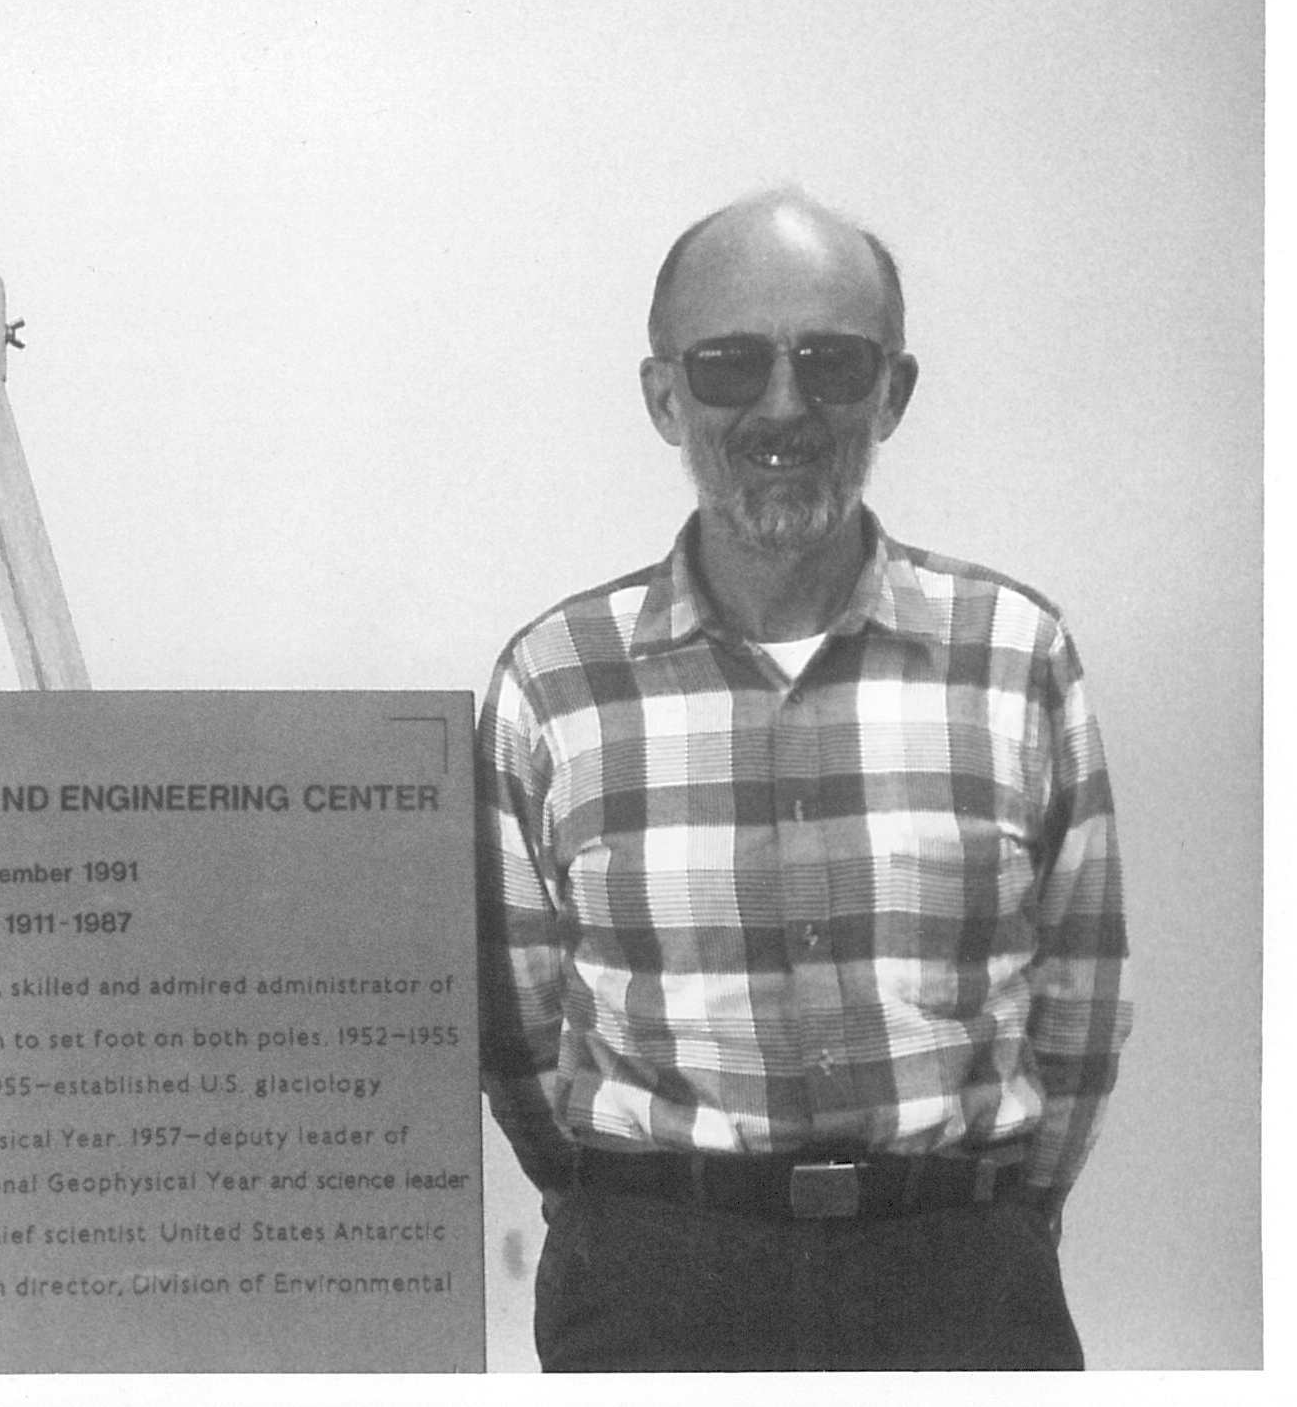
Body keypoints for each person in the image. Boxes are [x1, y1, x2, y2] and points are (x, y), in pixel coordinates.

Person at [476, 188, 1131, 1371]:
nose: (783, 407)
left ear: (894, 390)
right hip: (656, 1289)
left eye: (831, 363)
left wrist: (990, 1218)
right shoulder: (553, 680)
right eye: (729, 365)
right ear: (664, 396)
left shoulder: (1017, 655)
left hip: (961, 1287)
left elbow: (1081, 995)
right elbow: (513, 1032)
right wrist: (635, 1211)